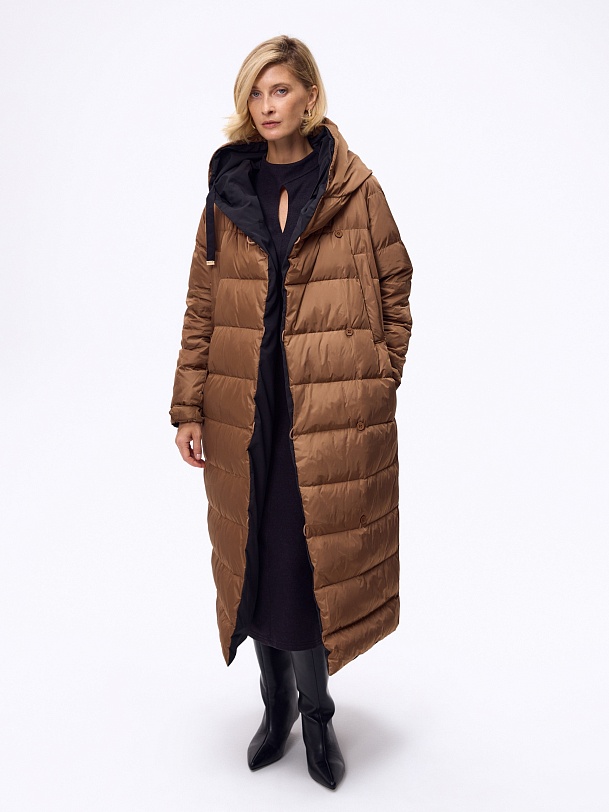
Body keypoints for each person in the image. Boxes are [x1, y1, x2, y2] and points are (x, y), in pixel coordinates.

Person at [169, 34, 414, 790]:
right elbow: (203, 306)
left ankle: (316, 716)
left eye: (279, 89)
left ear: (309, 94)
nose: (266, 105)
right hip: (244, 408)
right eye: (255, 92)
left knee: (310, 565)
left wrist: (378, 377)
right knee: (257, 561)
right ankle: (273, 708)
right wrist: (188, 407)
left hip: (327, 408)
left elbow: (395, 284)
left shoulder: (353, 187)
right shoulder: (228, 191)